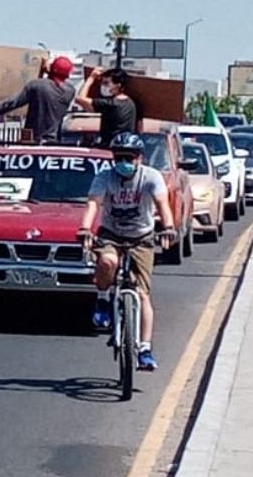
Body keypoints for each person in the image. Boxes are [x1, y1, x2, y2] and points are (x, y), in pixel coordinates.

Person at [77, 132, 176, 371]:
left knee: (142, 294)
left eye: (129, 158)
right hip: (111, 233)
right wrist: (85, 228)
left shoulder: (151, 177)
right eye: (119, 157)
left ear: (139, 158)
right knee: (107, 262)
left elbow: (163, 205)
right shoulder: (105, 177)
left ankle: (145, 349)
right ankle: (103, 299)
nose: (124, 162)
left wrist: (169, 228)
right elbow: (93, 203)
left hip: (142, 237)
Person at [0, 55, 76, 143]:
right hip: (53, 142)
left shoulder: (36, 85)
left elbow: (12, 103)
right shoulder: (70, 91)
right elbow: (45, 89)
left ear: (52, 68)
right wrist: (47, 71)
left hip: (31, 140)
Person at [74, 67, 138, 147]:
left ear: (118, 85)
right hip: (127, 146)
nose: (103, 86)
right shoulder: (131, 103)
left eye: (106, 83)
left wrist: (91, 78)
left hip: (109, 147)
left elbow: (80, 99)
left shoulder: (110, 104)